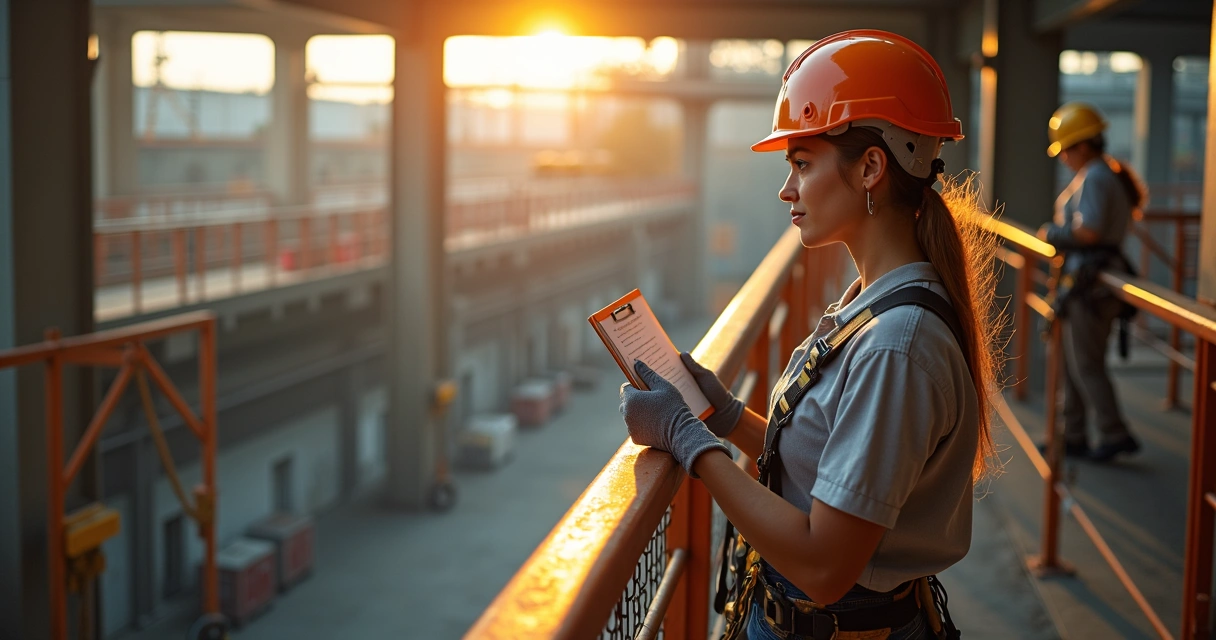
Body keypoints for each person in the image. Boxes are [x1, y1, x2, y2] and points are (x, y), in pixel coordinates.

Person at [619, 31, 1001, 640]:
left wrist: (687, 441)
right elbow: (829, 468)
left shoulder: (895, 347)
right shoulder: (873, 303)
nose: (786, 189)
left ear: (871, 168)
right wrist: (725, 416)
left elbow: (825, 565)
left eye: (802, 164)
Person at [1037, 102, 1142, 463]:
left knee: (1085, 364)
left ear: (1081, 145)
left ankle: (1115, 433)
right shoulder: (1100, 174)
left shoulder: (1095, 176)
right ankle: (1074, 435)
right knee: (1072, 362)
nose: (1063, 157)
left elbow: (1090, 229)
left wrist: (1055, 233)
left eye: (1065, 149)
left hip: (1089, 284)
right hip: (1088, 281)